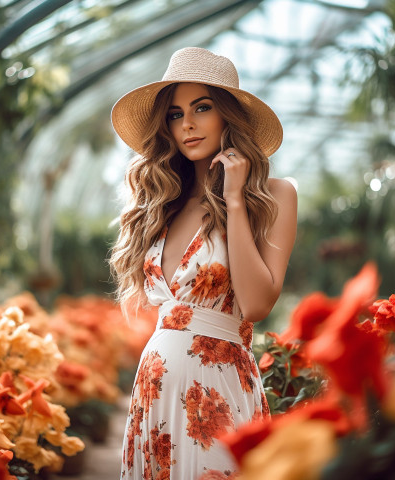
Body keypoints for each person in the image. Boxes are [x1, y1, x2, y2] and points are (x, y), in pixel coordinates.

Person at [110, 46, 297, 480]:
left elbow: (255, 305)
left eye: (202, 108)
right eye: (175, 114)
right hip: (154, 390)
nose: (188, 124)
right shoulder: (163, 203)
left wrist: (233, 200)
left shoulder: (273, 195)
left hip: (218, 390)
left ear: (228, 116)